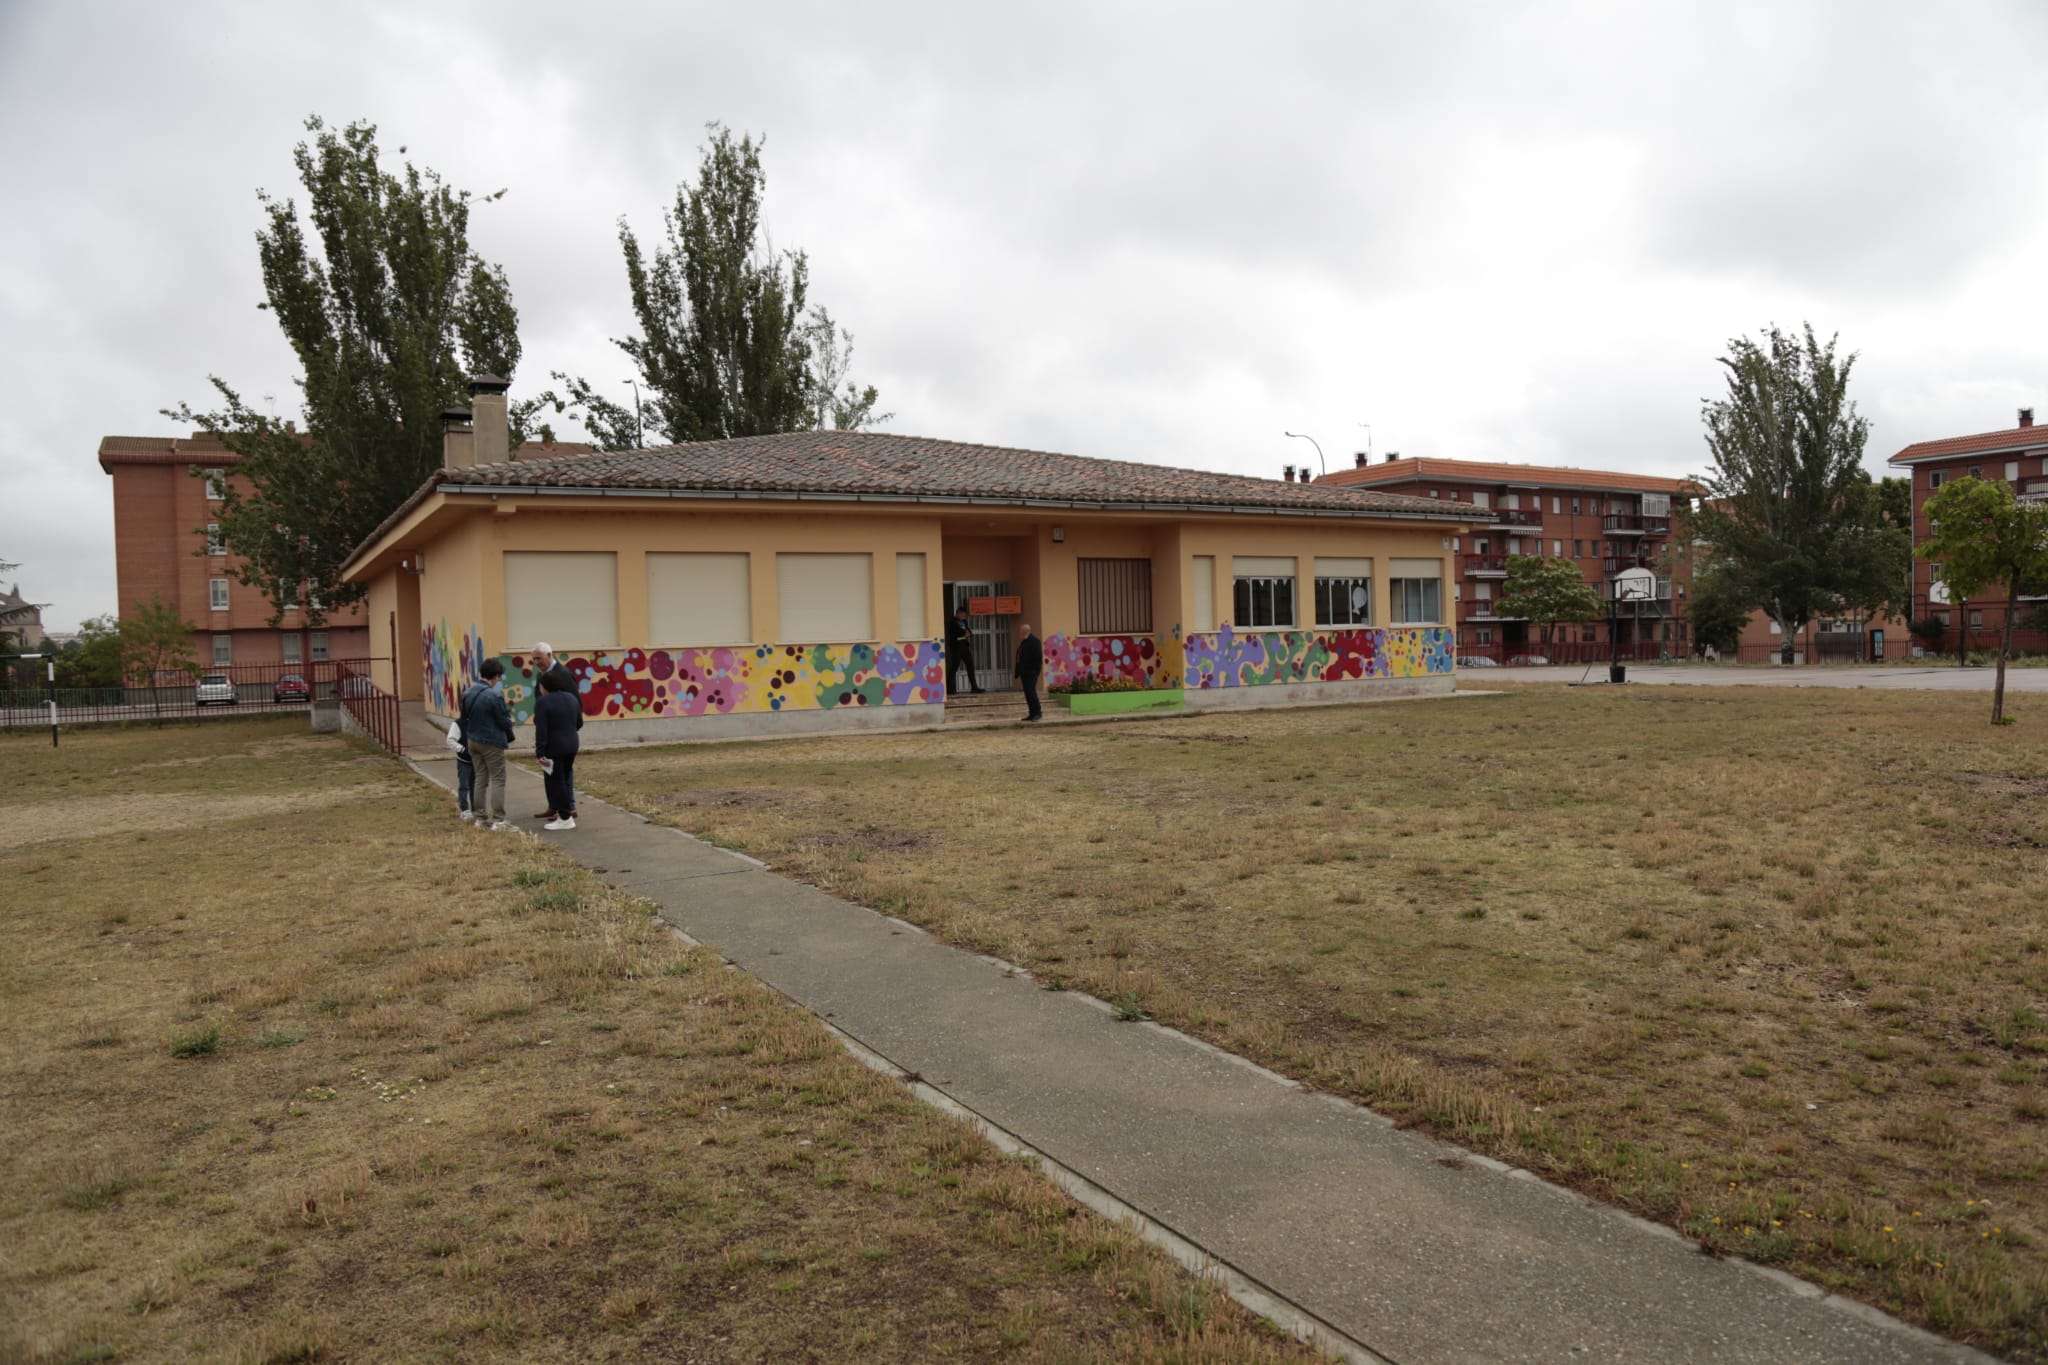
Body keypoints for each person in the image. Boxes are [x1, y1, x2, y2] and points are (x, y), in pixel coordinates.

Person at [459, 658, 515, 830]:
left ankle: (480, 818)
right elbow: (502, 720)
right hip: (491, 741)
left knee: (479, 779)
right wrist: (510, 721)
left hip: (472, 740)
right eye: (499, 677)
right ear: (496, 676)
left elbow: (463, 717)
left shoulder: (467, 693)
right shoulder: (494, 695)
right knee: (498, 779)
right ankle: (499, 819)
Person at [528, 642, 576, 818]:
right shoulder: (542, 674)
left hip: (560, 733)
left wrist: (569, 727)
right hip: (551, 731)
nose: (535, 662)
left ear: (549, 655)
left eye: (538, 658)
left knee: (562, 774)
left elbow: (574, 701)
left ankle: (568, 808)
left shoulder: (563, 674)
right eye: (533, 659)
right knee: (553, 773)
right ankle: (554, 806)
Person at [534, 670, 582, 831]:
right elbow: (579, 722)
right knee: (565, 777)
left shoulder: (543, 702)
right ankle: (567, 812)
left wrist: (540, 752)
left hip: (554, 747)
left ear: (544, 686)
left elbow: (541, 730)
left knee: (556, 782)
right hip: (572, 744)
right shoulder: (572, 698)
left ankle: (565, 817)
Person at [946, 605, 983, 694]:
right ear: (958, 613)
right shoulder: (952, 622)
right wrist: (964, 633)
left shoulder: (964, 622)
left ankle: (974, 687)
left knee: (970, 666)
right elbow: (959, 632)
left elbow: (969, 633)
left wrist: (966, 633)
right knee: (954, 667)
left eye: (965, 615)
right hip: (956, 647)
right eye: (963, 615)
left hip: (964, 646)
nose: (964, 617)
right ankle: (950, 688)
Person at [1013, 622, 1044, 722]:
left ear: (1025, 631)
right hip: (1024, 672)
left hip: (1031, 673)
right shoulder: (1024, 642)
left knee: (1031, 692)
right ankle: (1031, 713)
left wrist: (1036, 672)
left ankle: (1037, 713)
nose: (1019, 632)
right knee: (1027, 693)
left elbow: (1038, 658)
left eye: (1020, 630)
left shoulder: (1035, 642)